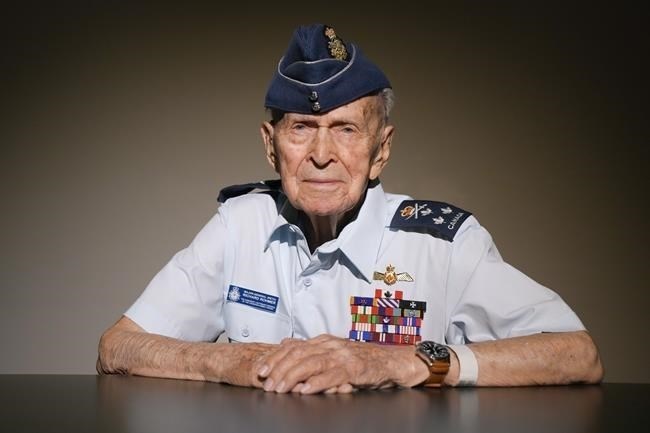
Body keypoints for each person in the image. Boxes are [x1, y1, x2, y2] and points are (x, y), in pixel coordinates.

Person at [97, 24, 603, 393]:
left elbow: (576, 353)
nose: (321, 155)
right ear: (271, 146)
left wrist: (408, 363)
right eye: (301, 128)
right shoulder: (239, 225)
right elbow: (117, 347)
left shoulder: (441, 244)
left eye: (345, 130)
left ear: (381, 149)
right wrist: (231, 362)